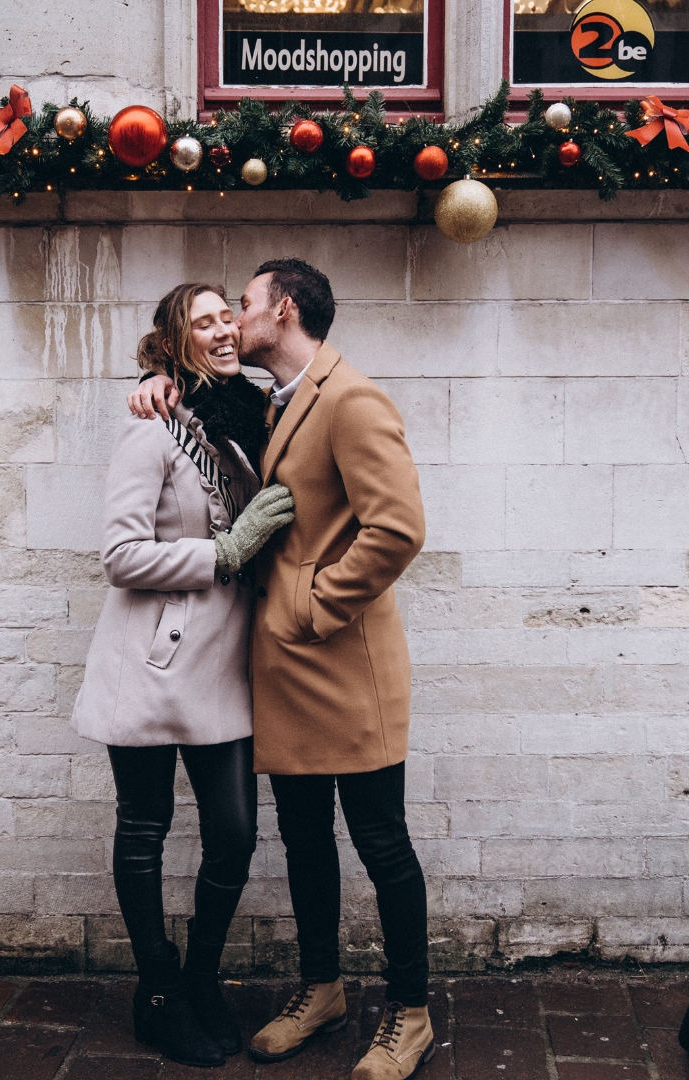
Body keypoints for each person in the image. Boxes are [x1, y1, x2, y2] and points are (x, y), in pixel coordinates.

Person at [128, 259, 432, 1080]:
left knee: (381, 841)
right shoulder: (271, 402)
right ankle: (322, 988)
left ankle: (410, 1012)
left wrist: (313, 605)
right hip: (287, 675)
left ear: (284, 310)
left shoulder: (351, 398)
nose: (236, 317)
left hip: (345, 664)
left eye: (247, 304)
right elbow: (205, 408)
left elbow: (397, 527)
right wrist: (161, 378)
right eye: (219, 313)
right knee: (304, 840)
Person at [71, 282, 295, 1069]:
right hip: (151, 660)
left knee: (234, 833)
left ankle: (200, 978)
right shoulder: (153, 427)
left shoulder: (243, 424)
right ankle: (159, 991)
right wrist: (222, 554)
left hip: (223, 667)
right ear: (176, 341)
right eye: (202, 322)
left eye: (226, 315)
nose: (223, 329)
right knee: (144, 829)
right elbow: (120, 556)